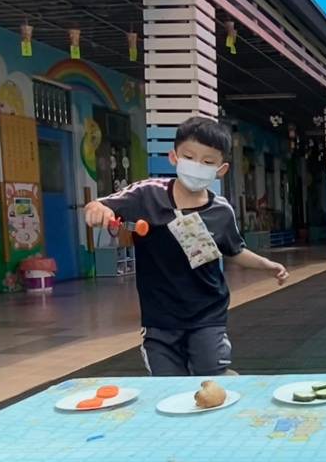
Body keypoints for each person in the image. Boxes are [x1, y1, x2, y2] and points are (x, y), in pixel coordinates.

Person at [84, 117, 288, 376]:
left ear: (221, 169)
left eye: (207, 162)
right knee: (169, 383)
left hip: (207, 312)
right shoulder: (148, 193)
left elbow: (233, 250)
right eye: (189, 157)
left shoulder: (220, 209)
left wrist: (265, 264)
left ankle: (224, 378)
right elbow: (99, 205)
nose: (197, 166)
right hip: (159, 316)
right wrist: (97, 210)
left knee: (211, 372)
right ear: (174, 157)